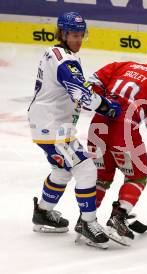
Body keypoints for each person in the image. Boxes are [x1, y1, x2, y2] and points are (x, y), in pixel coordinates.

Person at [28, 12, 121, 249]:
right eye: (73, 35)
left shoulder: (58, 53)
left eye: (81, 35)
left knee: (61, 171)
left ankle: (43, 213)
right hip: (52, 127)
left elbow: (78, 87)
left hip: (51, 124)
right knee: (86, 168)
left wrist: (97, 96)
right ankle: (88, 223)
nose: (78, 40)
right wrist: (106, 106)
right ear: (63, 33)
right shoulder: (65, 60)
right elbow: (80, 92)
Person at [87, 42, 147, 245]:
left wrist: (111, 101)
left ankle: (86, 222)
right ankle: (117, 219)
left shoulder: (122, 65)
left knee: (101, 177)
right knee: (138, 176)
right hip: (124, 133)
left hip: (97, 127)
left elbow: (92, 83)